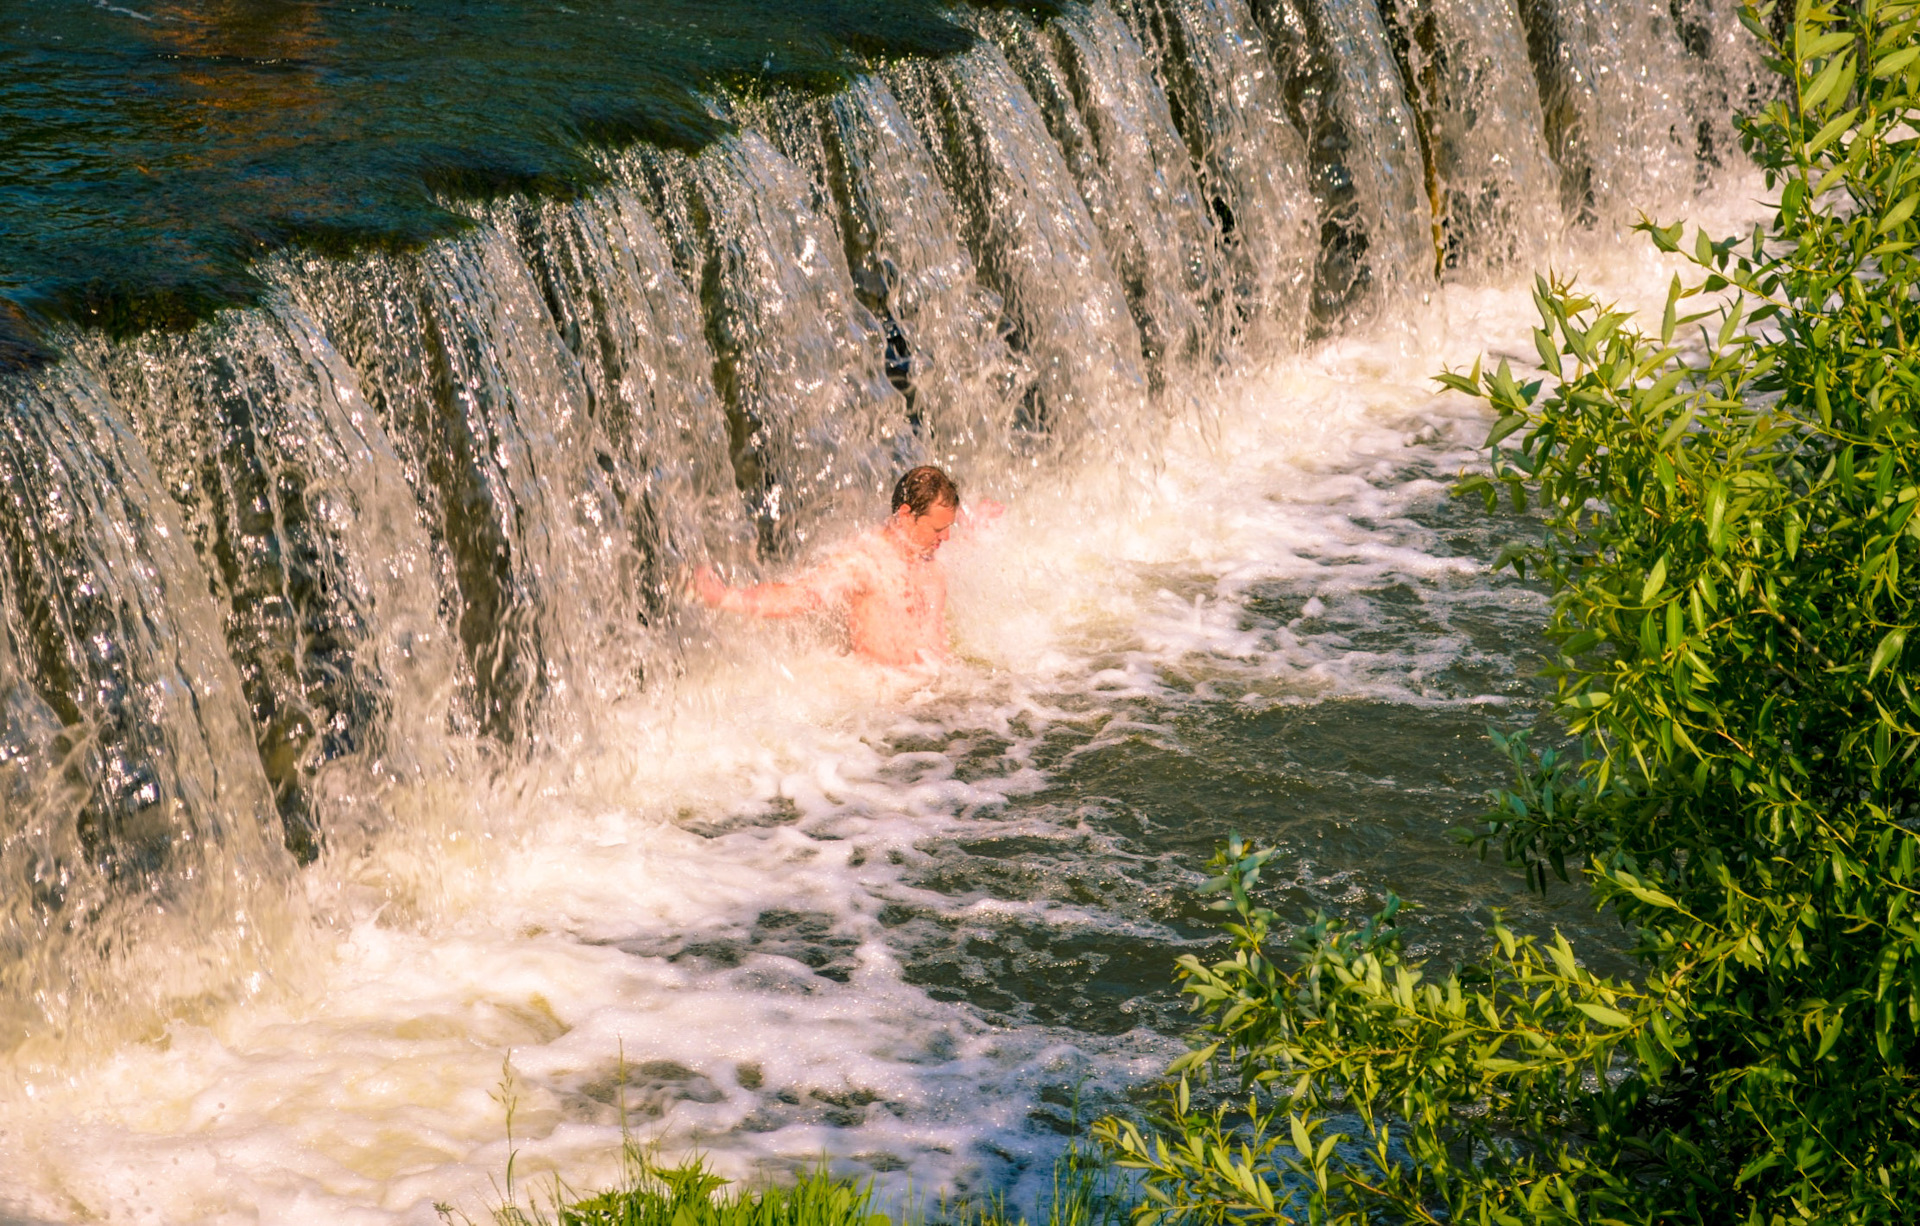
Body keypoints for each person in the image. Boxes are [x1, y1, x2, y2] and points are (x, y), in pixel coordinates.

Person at [693, 466, 993, 668]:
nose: (947, 537)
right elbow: (799, 596)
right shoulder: (865, 561)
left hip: (940, 691)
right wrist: (726, 598)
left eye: (950, 527)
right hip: (896, 707)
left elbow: (960, 548)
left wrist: (977, 529)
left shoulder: (929, 551)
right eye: (939, 528)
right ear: (905, 515)